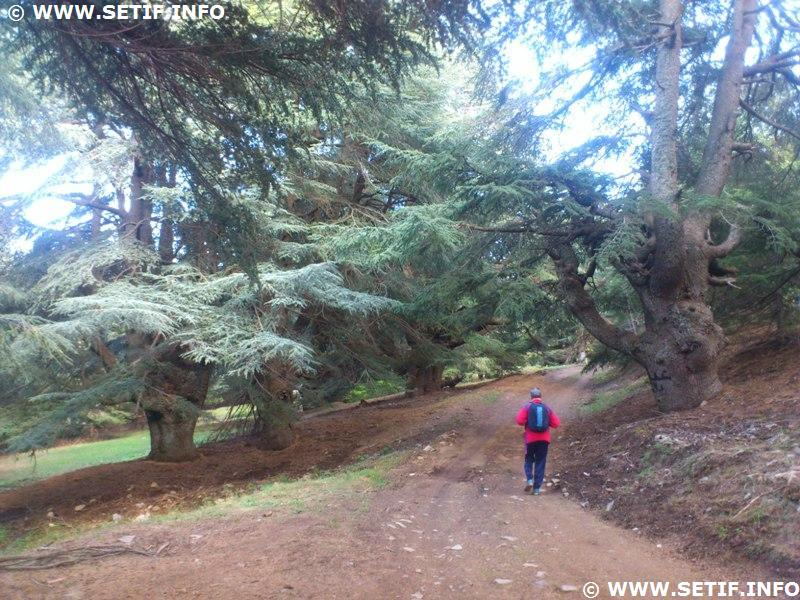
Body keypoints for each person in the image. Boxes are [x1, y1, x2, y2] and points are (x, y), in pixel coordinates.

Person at [515, 387, 560, 495]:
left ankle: (529, 479)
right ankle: (536, 489)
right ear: (540, 396)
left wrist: (528, 420)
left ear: (531, 396)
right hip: (544, 440)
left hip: (530, 439)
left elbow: (519, 421)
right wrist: (547, 422)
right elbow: (556, 424)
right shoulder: (547, 408)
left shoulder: (527, 407)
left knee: (529, 459)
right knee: (540, 462)